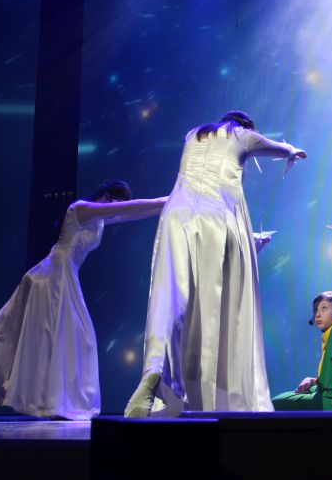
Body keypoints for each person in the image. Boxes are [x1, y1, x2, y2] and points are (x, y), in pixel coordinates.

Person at [125, 110, 307, 416]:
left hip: (176, 216)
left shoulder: (193, 134)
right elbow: (275, 147)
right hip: (216, 218)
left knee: (171, 300)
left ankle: (156, 369)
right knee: (213, 307)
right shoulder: (243, 135)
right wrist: (292, 150)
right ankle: (209, 397)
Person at [0, 181, 167, 420]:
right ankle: (56, 404)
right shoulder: (81, 208)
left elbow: (134, 212)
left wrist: (168, 204)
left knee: (25, 335)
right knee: (51, 336)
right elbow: (131, 208)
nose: (117, 207)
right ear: (108, 196)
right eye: (117, 201)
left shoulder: (99, 218)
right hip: (52, 276)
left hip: (62, 275)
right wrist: (168, 199)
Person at [272, 291, 332, 411]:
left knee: (273, 404)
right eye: (315, 310)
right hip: (327, 393)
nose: (317, 314)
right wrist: (313, 381)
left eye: (324, 308)